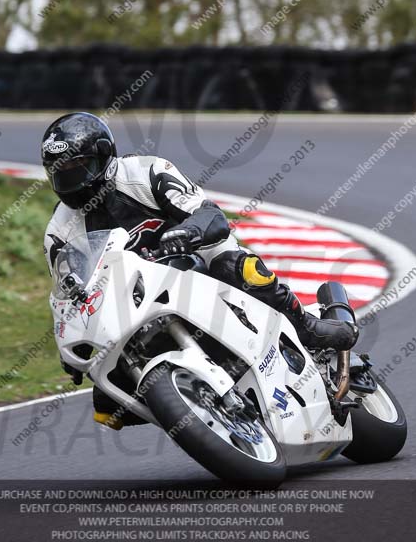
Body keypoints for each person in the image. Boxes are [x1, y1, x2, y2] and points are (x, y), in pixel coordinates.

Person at [42, 112, 358, 429]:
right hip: (134, 298)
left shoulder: (147, 171)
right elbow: (73, 292)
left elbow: (210, 215)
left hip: (195, 261)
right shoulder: (58, 233)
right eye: (61, 172)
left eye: (79, 167)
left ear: (104, 155)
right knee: (107, 406)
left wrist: (188, 233)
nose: (71, 179)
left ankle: (307, 328)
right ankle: (198, 408)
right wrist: (77, 339)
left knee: (238, 267)